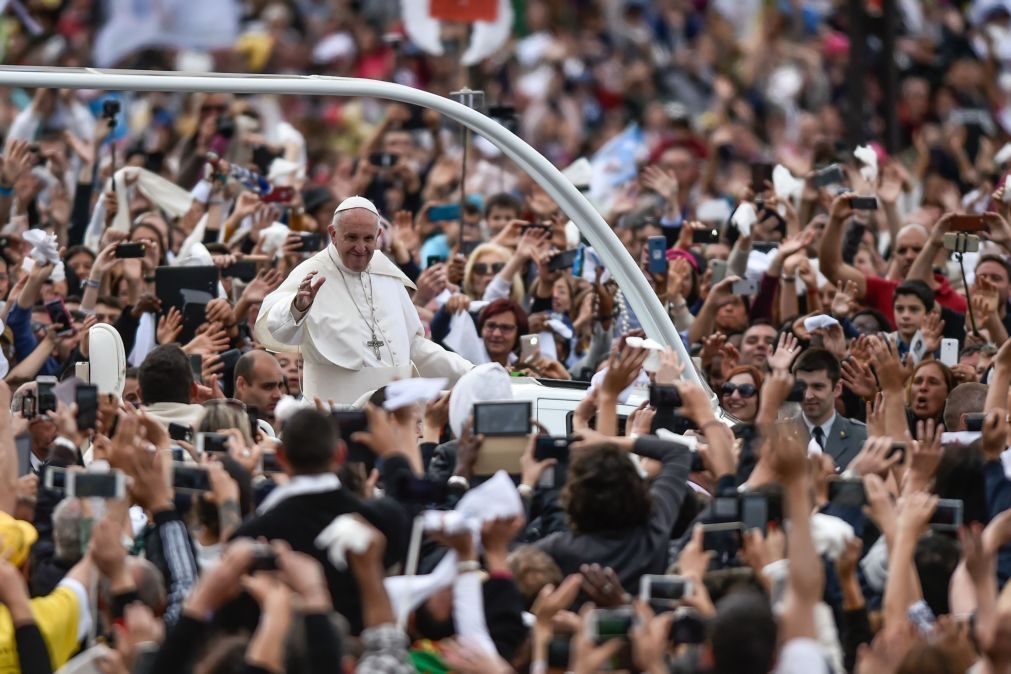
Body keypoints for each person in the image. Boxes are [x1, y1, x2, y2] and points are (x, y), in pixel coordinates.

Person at [255, 196, 473, 404]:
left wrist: (470, 372)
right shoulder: (311, 273)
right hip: (335, 415)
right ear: (333, 233)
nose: (361, 248)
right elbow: (277, 328)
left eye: (368, 238)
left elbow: (414, 347)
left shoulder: (387, 274)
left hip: (395, 413)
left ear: (378, 235)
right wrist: (298, 307)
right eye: (351, 237)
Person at [793, 347, 867, 471]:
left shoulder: (861, 438)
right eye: (802, 387)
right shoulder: (778, 436)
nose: (808, 396)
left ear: (837, 389)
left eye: (817, 387)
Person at [233, 350, 285, 432]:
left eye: (280, 386)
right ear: (241, 384)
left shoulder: (288, 430)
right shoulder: (217, 428)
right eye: (268, 386)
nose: (278, 394)